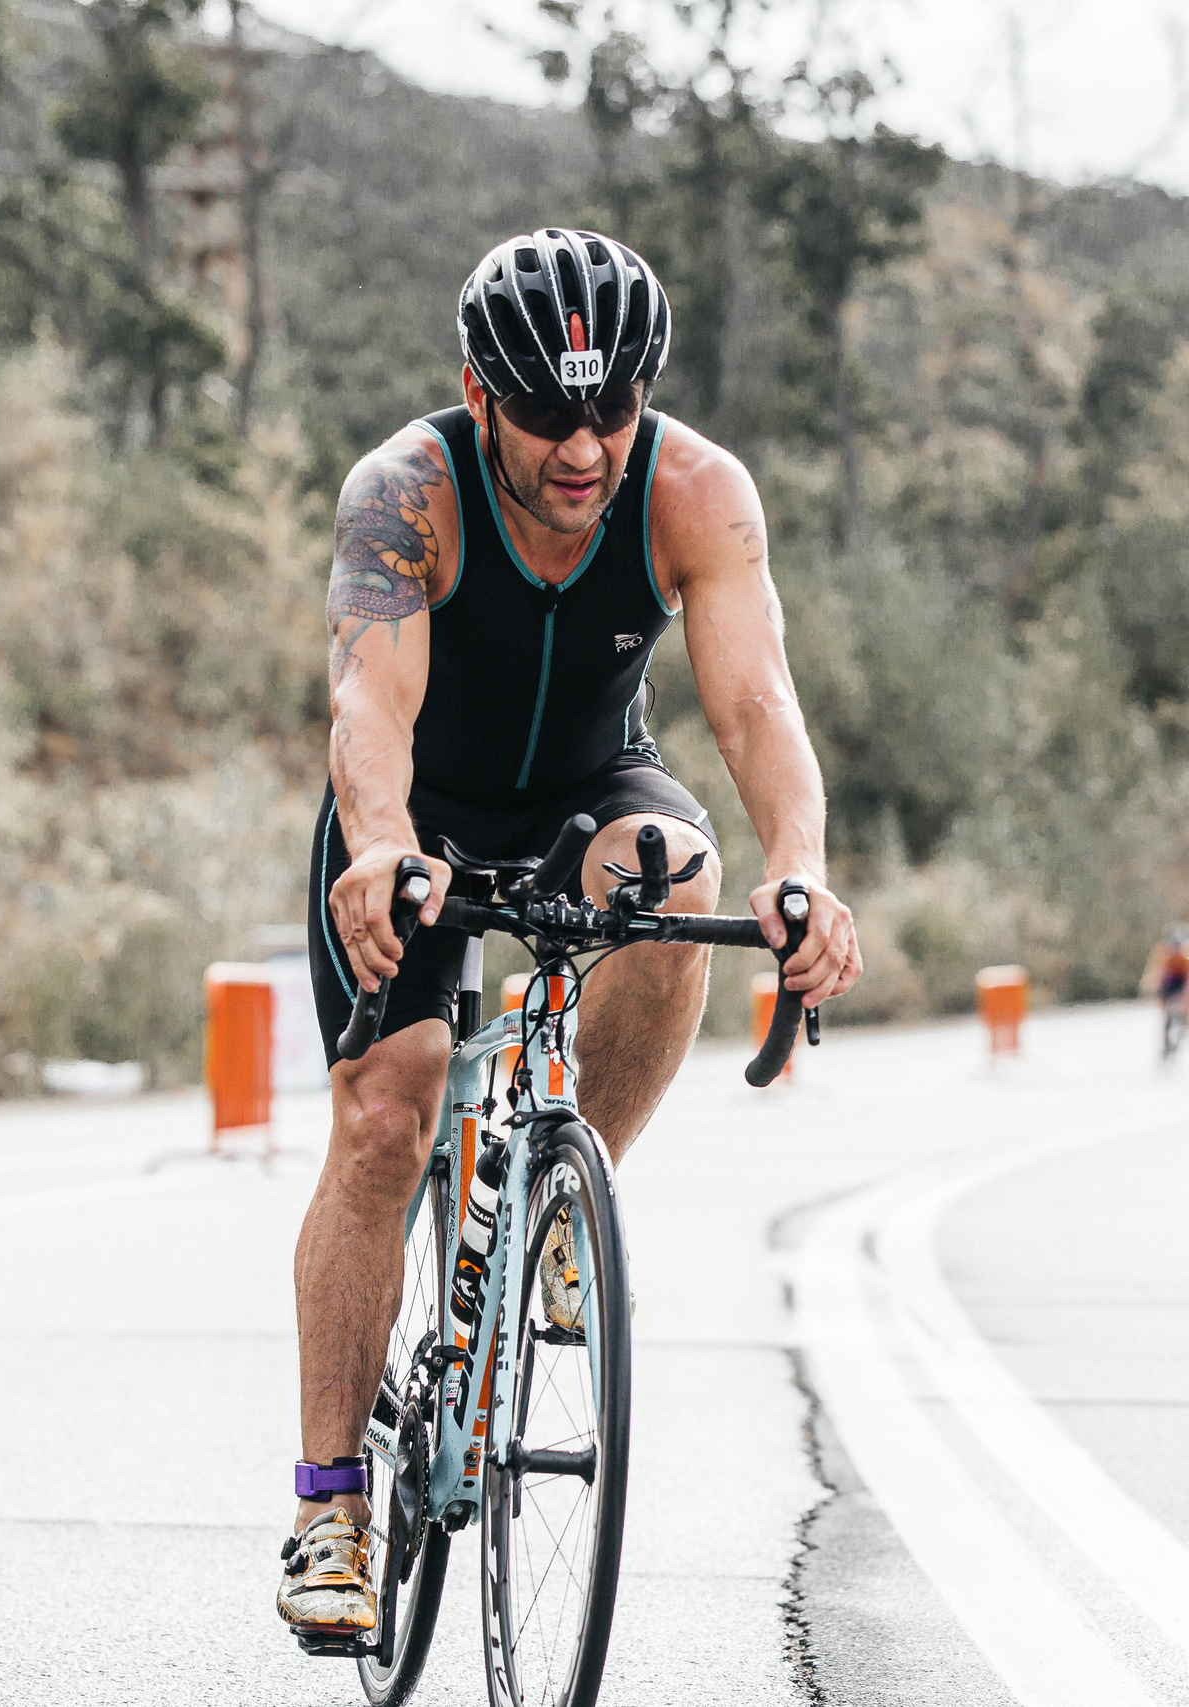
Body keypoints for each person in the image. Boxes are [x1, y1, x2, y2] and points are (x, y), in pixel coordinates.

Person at [278, 229, 863, 1642]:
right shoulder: (406, 494)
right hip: (414, 805)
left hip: (592, 788)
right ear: (480, 393)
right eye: (548, 411)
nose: (586, 446)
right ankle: (330, 1500)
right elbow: (372, 706)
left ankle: (563, 1198)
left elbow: (757, 706)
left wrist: (802, 868)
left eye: (614, 408)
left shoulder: (695, 489)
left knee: (681, 871)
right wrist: (377, 847)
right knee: (384, 1120)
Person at [1140, 923, 1189, 1061]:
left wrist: (1188, 994)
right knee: (1168, 1017)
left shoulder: (1187, 955)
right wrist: (1151, 985)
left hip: (1180, 985)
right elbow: (1157, 972)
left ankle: (1181, 1030)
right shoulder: (1165, 954)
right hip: (1170, 985)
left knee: (1179, 1014)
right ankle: (1168, 1041)